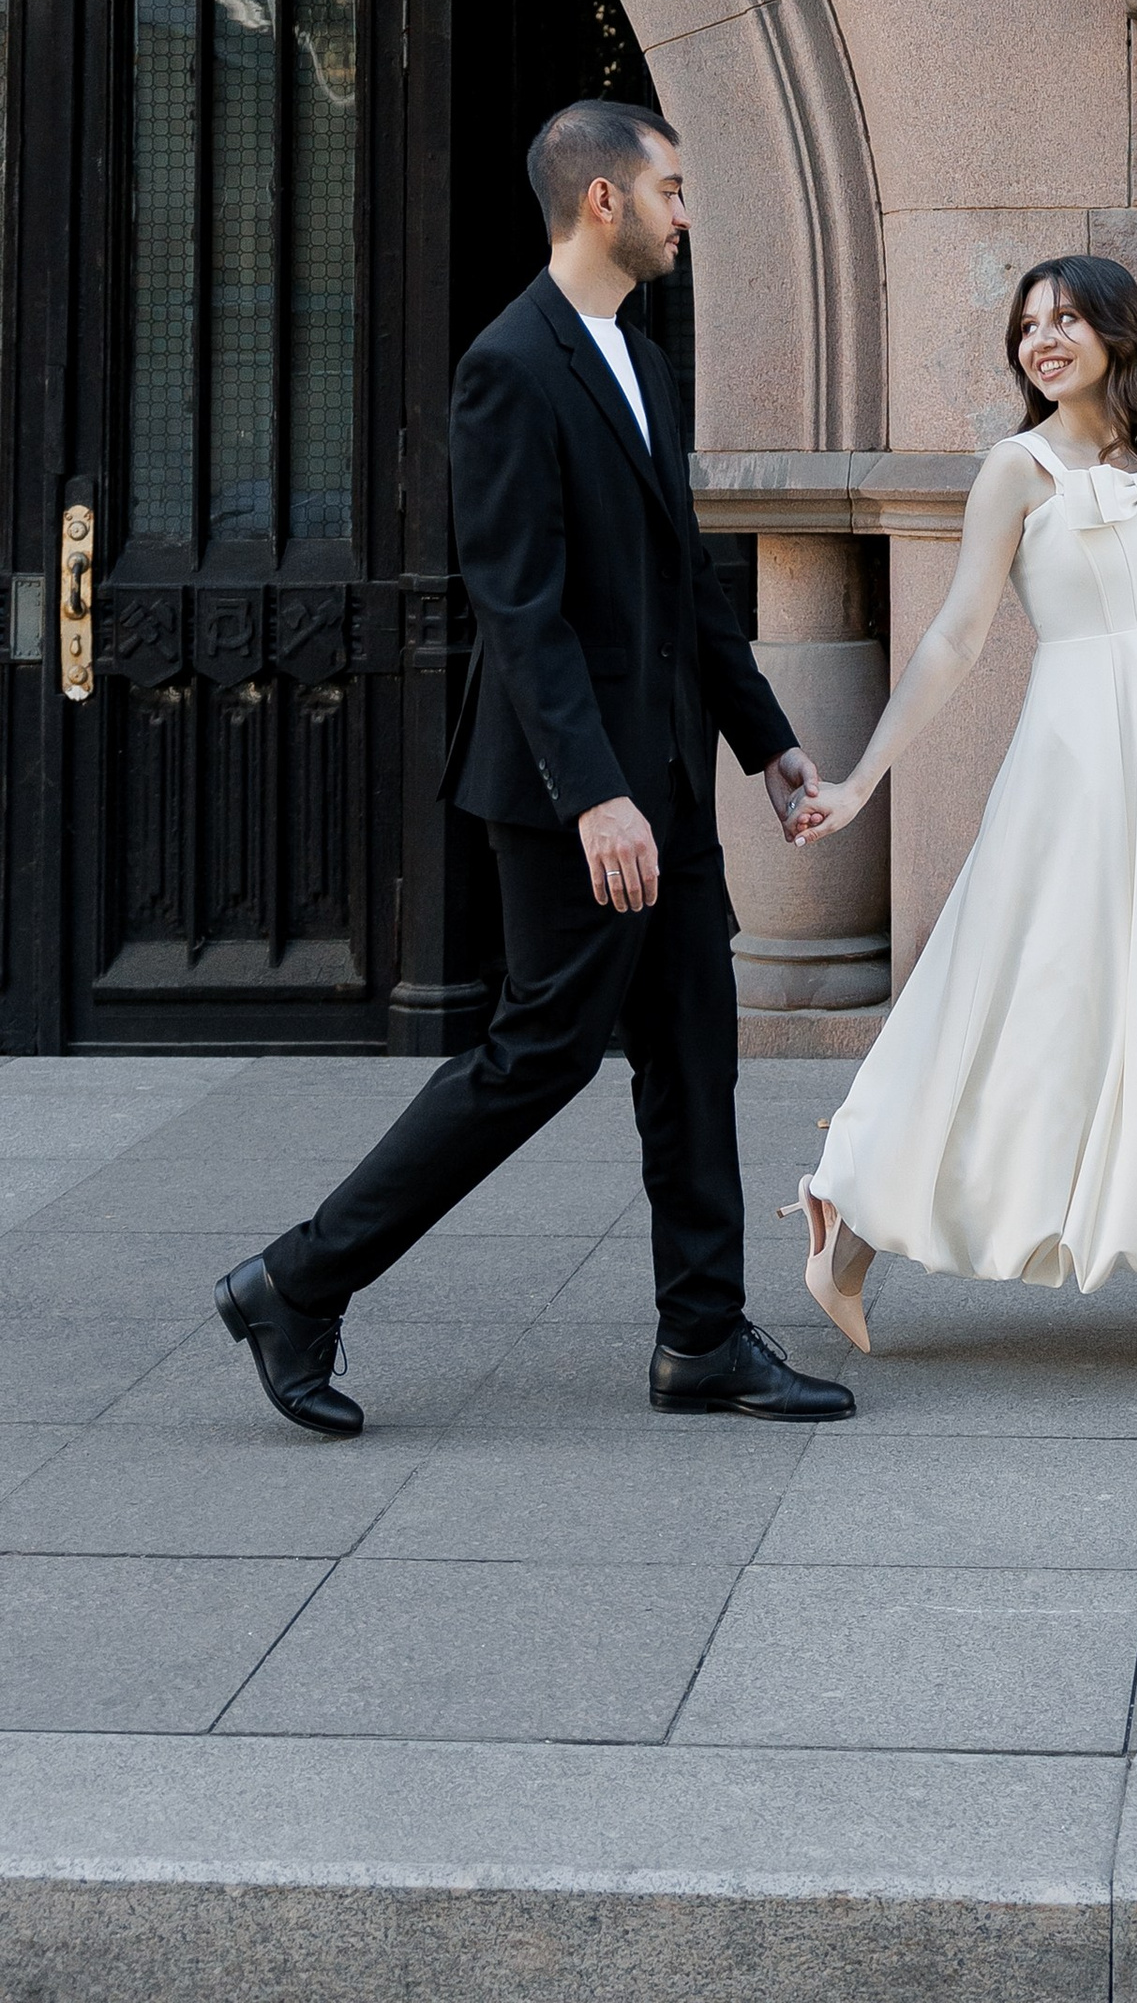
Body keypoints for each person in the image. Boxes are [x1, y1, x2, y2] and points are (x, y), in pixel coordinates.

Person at [216, 101, 854, 1440]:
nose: (686, 212)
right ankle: (296, 1282)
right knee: (538, 1055)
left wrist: (768, 741)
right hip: (578, 793)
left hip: (666, 777)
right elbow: (519, 606)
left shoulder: (644, 359)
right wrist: (596, 796)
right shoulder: (510, 363)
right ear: (603, 200)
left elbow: (683, 581)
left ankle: (702, 1339)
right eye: (671, 188)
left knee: (693, 1048)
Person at [786, 256, 1137, 1372]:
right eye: (1028, 324)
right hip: (1079, 767)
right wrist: (859, 781)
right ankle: (856, 1206)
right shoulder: (1016, 468)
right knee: (1022, 1003)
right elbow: (956, 636)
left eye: (1067, 318)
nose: (1041, 339)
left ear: (1118, 333)